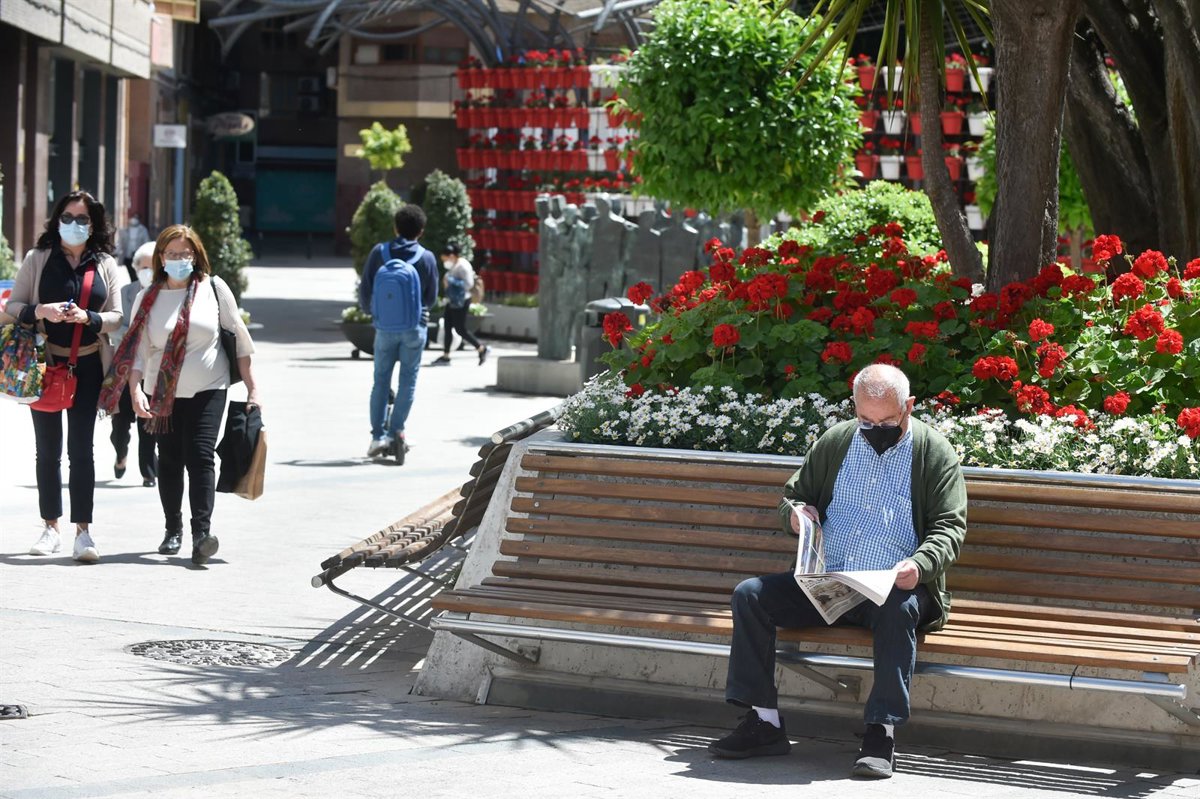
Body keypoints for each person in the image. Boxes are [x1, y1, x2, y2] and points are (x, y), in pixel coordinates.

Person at [707, 364, 967, 779]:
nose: (875, 429)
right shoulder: (837, 441)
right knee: (750, 595)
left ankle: (880, 734)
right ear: (854, 408)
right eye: (866, 420)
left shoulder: (934, 453)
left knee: (898, 609)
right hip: (828, 582)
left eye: (886, 422)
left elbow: (949, 527)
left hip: (892, 585)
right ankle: (763, 722)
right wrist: (796, 517)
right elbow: (794, 497)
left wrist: (919, 566)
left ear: (909, 407)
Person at [100, 225, 259, 565]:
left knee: (200, 456)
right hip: (162, 392)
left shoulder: (213, 289)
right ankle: (173, 529)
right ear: (160, 257)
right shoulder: (148, 297)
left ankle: (202, 534)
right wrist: (135, 391)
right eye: (171, 254)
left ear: (196, 256)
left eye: (185, 254)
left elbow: (239, 339)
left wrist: (252, 388)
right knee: (170, 459)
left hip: (209, 386)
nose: (178, 259)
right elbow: (138, 351)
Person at [6, 190, 125, 562]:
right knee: (47, 450)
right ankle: (50, 527)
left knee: (82, 450)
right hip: (43, 366)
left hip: (87, 365)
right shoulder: (38, 258)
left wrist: (89, 317)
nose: (74, 225)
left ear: (94, 224)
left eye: (83, 219)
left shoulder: (104, 263)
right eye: (68, 217)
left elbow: (118, 316)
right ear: (57, 219)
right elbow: (13, 305)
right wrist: (41, 310)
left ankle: (83, 533)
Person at [358, 204, 439, 464]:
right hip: (414, 329)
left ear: (395, 227)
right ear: (421, 231)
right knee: (408, 382)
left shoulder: (379, 252)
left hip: (384, 329)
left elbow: (365, 289)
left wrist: (374, 313)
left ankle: (377, 437)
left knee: (380, 380)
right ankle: (397, 431)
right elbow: (432, 298)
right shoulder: (426, 258)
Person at [107, 241, 158, 488]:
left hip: (153, 370)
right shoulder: (125, 293)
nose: (149, 271)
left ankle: (149, 472)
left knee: (148, 423)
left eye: (153, 266)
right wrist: (140, 335)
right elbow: (115, 327)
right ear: (136, 268)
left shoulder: (166, 293)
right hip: (124, 369)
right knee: (120, 424)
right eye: (144, 267)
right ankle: (120, 453)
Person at [433, 243, 489, 365]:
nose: (445, 262)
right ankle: (446, 355)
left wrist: (450, 280)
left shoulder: (463, 266)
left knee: (460, 329)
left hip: (461, 301)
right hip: (452, 300)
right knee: (447, 326)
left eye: (445, 259)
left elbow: (468, 284)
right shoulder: (455, 264)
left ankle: (481, 348)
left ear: (451, 256)